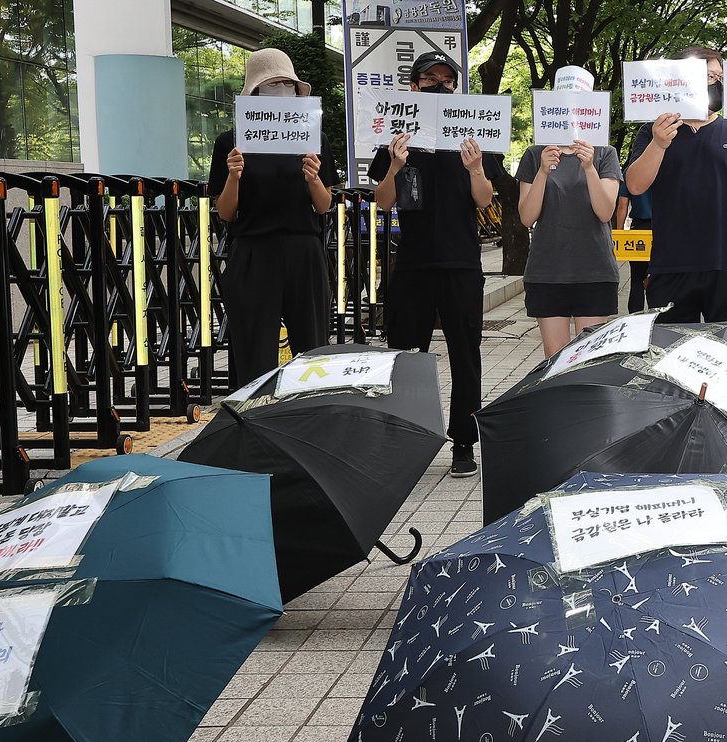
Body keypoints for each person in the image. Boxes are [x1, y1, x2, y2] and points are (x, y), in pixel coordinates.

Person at [369, 50, 503, 477]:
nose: (440, 86)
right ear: (414, 86)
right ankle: (406, 440)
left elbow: (485, 200)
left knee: (466, 354)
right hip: (412, 264)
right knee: (406, 357)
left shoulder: (470, 135)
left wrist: (477, 168)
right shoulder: (398, 137)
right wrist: (394, 164)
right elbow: (383, 202)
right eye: (431, 79)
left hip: (462, 262)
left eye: (448, 80)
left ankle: (464, 443)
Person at [625, 46, 727, 333]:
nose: (716, 83)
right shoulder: (655, 131)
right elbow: (635, 184)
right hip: (670, 265)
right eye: (709, 76)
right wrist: (659, 144)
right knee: (669, 360)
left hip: (726, 263)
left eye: (720, 77)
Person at [209, 48, 338, 386]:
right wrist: (234, 176)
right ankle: (251, 426)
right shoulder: (231, 142)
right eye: (272, 84)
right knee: (253, 351)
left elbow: (324, 206)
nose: (282, 90)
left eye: (288, 84)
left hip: (303, 249)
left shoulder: (313, 138)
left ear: (298, 91)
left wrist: (312, 179)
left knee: (312, 350)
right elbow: (225, 212)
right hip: (252, 251)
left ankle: (308, 422)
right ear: (253, 91)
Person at [516, 66, 624, 357]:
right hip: (547, 271)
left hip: (594, 270)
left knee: (589, 360)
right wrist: (542, 171)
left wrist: (588, 167)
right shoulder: (534, 153)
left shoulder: (604, 152)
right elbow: (527, 217)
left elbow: (605, 212)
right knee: (556, 361)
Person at [614, 180, 652, 312]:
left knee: (636, 278)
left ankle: (636, 319)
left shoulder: (631, 172)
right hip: (662, 228)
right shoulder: (663, 167)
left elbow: (622, 206)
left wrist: (619, 234)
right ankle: (658, 319)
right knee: (660, 278)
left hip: (638, 229)